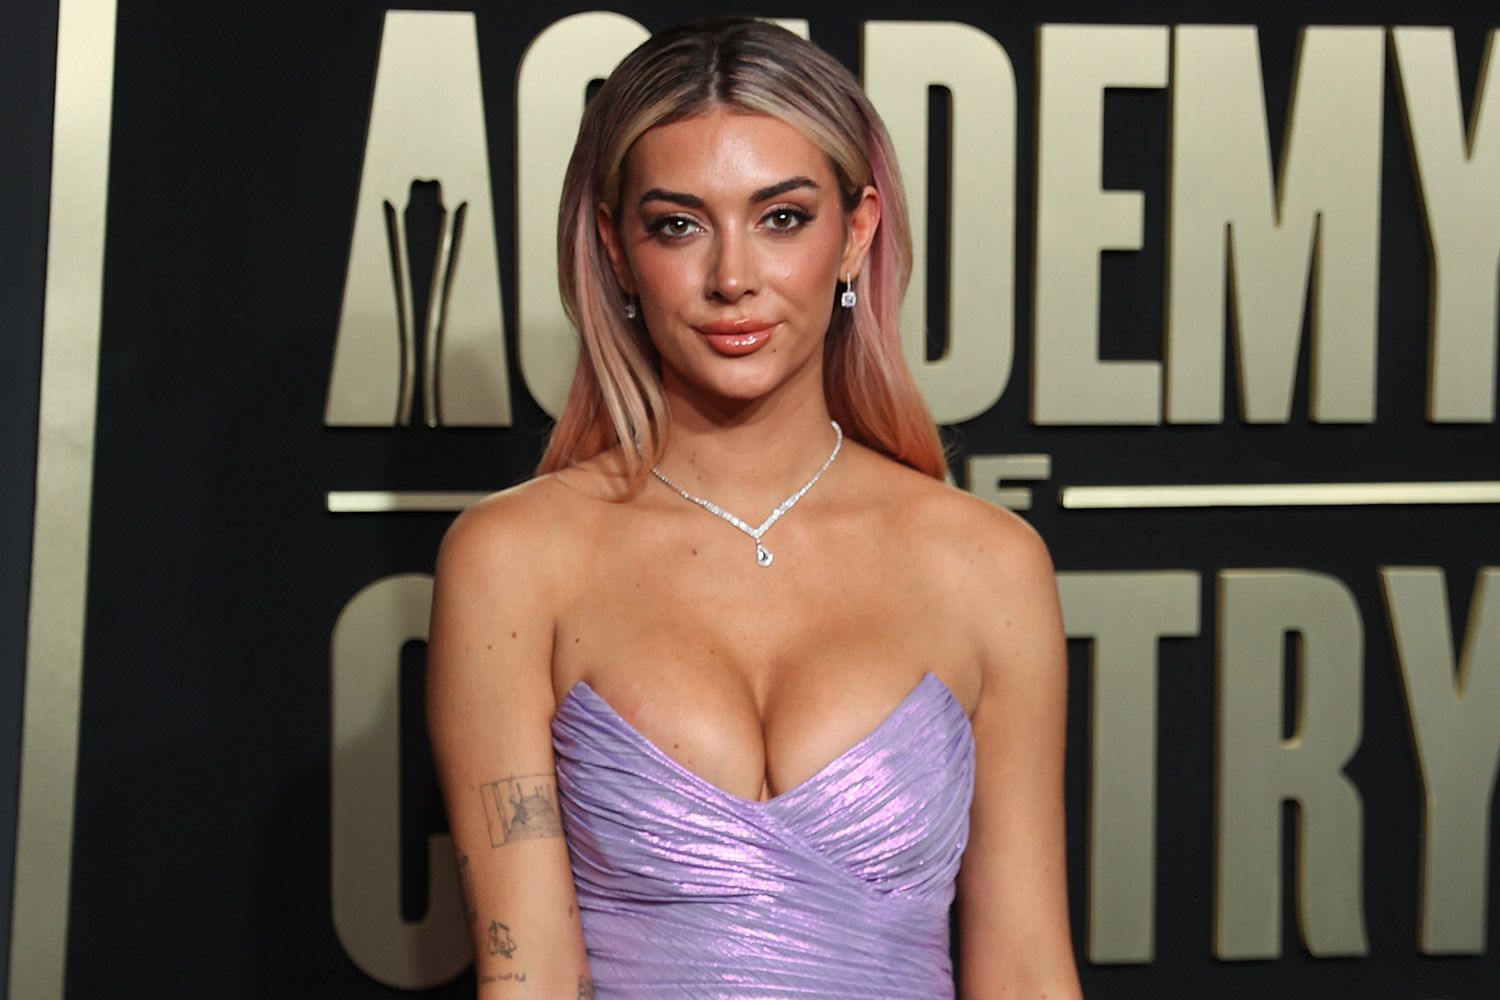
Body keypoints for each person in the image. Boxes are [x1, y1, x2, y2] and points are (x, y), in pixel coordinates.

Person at [427, 17, 1081, 999]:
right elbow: (526, 976)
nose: (733, 278)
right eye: (678, 224)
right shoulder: (515, 559)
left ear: (856, 233)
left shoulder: (986, 564)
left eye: (781, 218)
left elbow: (1027, 968)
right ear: (615, 249)